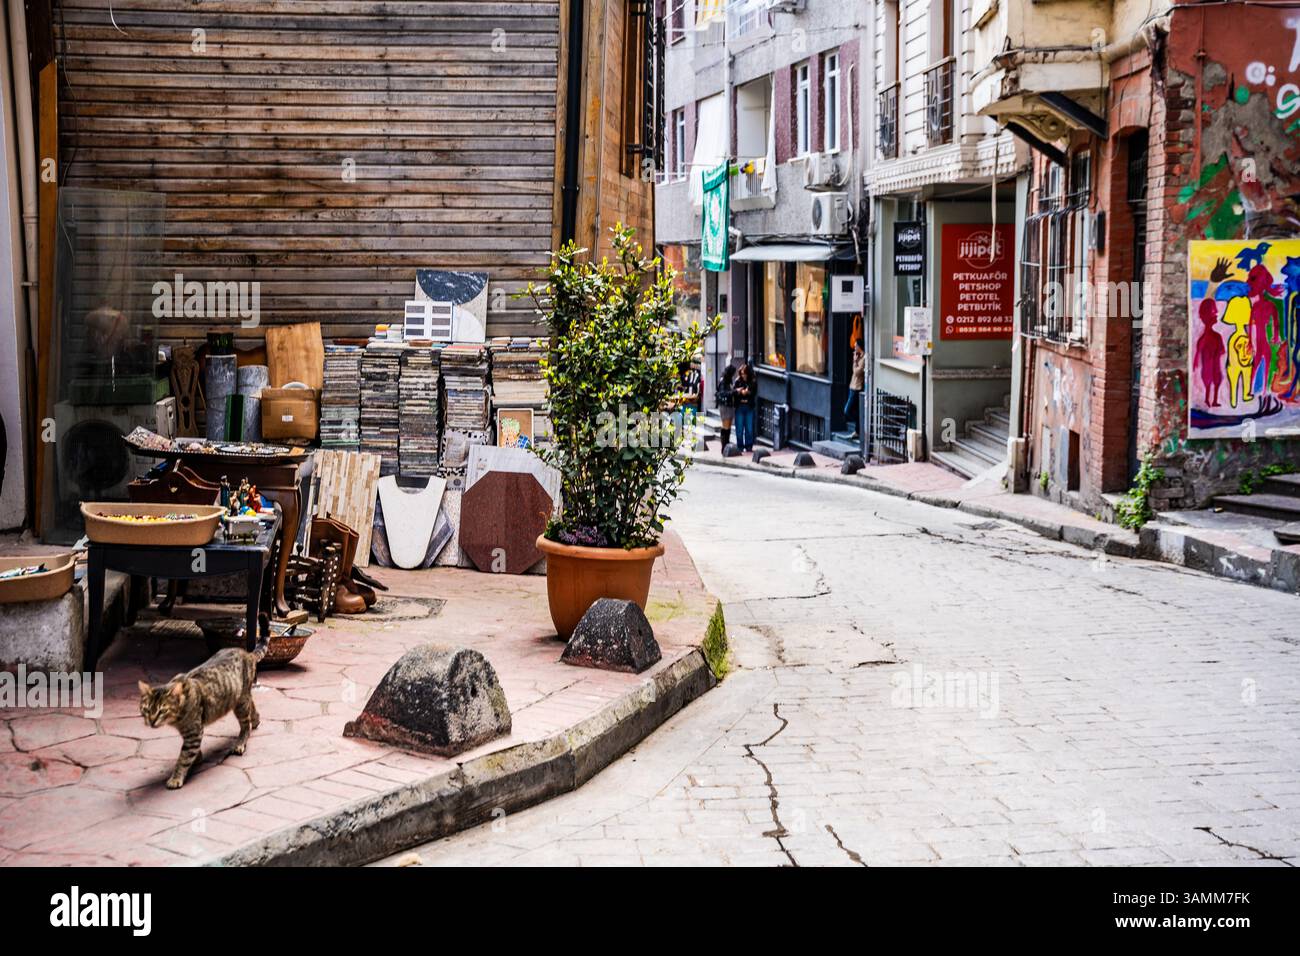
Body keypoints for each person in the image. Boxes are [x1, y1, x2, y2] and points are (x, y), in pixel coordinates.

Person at [733, 361, 757, 452]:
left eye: (745, 374)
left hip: (749, 406)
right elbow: (734, 392)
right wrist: (740, 392)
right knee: (739, 428)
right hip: (739, 406)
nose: (743, 376)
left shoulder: (752, 381)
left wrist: (748, 392)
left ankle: (749, 446)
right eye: (742, 374)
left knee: (749, 428)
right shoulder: (737, 381)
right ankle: (740, 446)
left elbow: (754, 392)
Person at [845, 341, 865, 439]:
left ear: (860, 346)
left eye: (856, 345)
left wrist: (855, 361)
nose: (854, 347)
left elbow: (857, 372)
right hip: (852, 386)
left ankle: (860, 424)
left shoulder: (863, 358)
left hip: (857, 387)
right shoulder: (858, 357)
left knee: (847, 410)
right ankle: (858, 429)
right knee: (854, 410)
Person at [715, 364, 736, 449]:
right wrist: (733, 392)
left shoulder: (727, 380)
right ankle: (724, 445)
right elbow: (723, 393)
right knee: (726, 426)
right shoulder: (724, 381)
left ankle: (726, 444)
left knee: (728, 425)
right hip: (725, 405)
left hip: (729, 405)